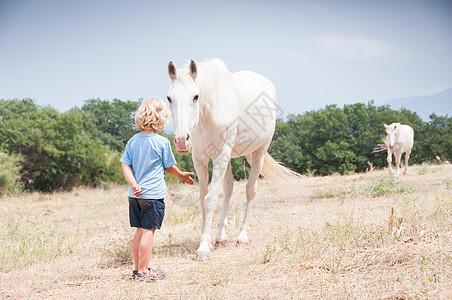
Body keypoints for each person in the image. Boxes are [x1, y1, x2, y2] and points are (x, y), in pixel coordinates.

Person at [120, 97, 194, 281]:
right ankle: (144, 272)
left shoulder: (133, 141)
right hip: (152, 196)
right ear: (161, 119)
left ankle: (138, 269)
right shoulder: (161, 143)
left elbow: (125, 165)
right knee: (148, 232)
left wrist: (133, 184)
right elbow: (169, 167)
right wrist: (182, 176)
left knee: (139, 230)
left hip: (135, 196)